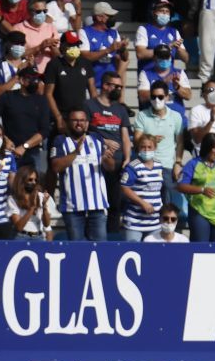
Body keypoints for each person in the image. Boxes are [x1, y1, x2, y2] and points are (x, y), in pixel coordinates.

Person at [50, 108, 117, 241]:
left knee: (100, 249)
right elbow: (55, 167)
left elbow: (111, 167)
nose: (79, 123)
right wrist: (75, 152)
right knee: (77, 251)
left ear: (87, 123)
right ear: (68, 122)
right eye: (75, 120)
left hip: (97, 206)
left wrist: (106, 159)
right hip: (72, 207)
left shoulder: (97, 139)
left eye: (82, 120)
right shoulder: (60, 141)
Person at [85, 71, 132, 233]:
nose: (119, 89)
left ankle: (112, 238)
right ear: (105, 86)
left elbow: (125, 137)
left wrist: (127, 158)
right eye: (116, 86)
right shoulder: (89, 105)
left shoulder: (120, 109)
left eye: (121, 86)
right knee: (94, 204)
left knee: (115, 204)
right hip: (95, 163)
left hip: (118, 163)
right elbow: (81, 131)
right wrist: (103, 141)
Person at [133, 80, 186, 222]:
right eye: (153, 97)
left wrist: (178, 162)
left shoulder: (176, 117)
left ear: (167, 97)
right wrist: (149, 140)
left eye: (161, 97)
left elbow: (180, 142)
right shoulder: (142, 116)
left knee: (167, 207)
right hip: (146, 167)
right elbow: (136, 140)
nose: (157, 100)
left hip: (167, 167)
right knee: (147, 206)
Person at [0, 67, 50, 173]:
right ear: (21, 80)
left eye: (37, 79)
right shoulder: (7, 97)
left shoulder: (42, 101)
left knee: (33, 184)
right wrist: (5, 140)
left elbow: (44, 130)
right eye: (31, 79)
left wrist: (24, 146)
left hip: (32, 151)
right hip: (9, 151)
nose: (35, 82)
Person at [45, 32, 97, 136]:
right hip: (61, 115)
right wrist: (58, 118)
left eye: (76, 45)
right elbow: (48, 94)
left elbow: (93, 90)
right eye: (71, 45)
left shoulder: (85, 63)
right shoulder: (54, 64)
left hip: (81, 116)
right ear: (63, 46)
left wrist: (95, 114)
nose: (74, 48)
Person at [120, 133, 164, 241]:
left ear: (155, 148)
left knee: (153, 255)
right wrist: (142, 203)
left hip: (155, 222)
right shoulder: (133, 166)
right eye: (143, 147)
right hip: (135, 222)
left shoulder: (159, 165)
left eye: (149, 147)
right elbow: (124, 187)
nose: (146, 150)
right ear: (138, 148)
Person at [80, 2, 129, 91]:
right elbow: (85, 56)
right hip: (91, 86)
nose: (112, 18)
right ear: (99, 17)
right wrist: (108, 50)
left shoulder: (114, 33)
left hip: (111, 86)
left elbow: (124, 58)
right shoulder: (85, 32)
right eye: (109, 16)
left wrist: (123, 48)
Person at [134, 0, 189, 74]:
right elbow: (140, 54)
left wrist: (179, 48)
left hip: (169, 76)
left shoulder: (174, 32)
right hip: (148, 74)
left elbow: (186, 58)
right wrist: (166, 48)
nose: (164, 14)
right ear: (153, 13)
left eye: (167, 12)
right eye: (161, 11)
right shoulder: (144, 30)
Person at [14, 0, 60, 74]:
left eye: (45, 11)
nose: (42, 14)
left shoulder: (51, 28)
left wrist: (53, 47)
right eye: (38, 11)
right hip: (28, 74)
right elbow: (17, 54)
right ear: (29, 12)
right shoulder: (18, 28)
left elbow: (58, 56)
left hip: (49, 73)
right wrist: (40, 47)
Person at [7, 165, 54, 241]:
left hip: (38, 236)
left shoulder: (41, 196)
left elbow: (47, 224)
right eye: (30, 180)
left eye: (35, 180)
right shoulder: (13, 199)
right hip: (21, 236)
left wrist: (44, 206)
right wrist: (32, 208)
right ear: (22, 180)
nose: (33, 182)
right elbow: (19, 227)